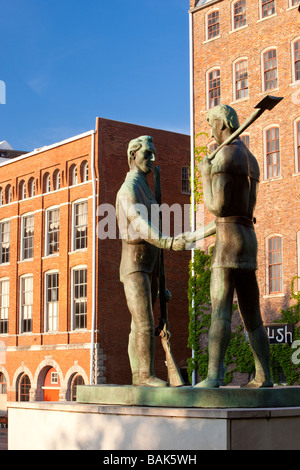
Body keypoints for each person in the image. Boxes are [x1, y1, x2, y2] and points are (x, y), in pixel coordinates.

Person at [185, 105, 273, 388]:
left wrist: (204, 174)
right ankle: (265, 376)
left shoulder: (224, 155)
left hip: (227, 243)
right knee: (252, 315)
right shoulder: (251, 158)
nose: (210, 128)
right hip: (248, 238)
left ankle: (213, 376)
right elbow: (248, 204)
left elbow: (218, 206)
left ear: (222, 123)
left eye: (211, 123)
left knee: (220, 311)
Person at [116, 135, 185, 387]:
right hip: (134, 266)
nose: (152, 158)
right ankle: (144, 376)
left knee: (139, 325)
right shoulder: (129, 189)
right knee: (144, 321)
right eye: (148, 154)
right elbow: (140, 225)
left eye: (153, 153)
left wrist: (160, 283)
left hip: (150, 267)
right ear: (133, 155)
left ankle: (138, 375)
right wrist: (167, 242)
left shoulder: (145, 187)